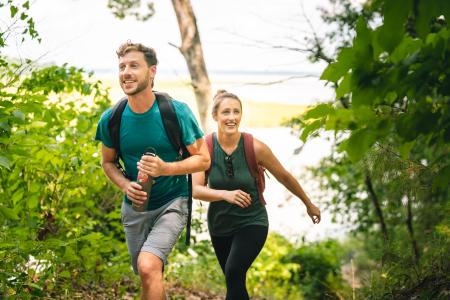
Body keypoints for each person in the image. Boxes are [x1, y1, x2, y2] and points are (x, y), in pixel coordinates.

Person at [95, 41, 210, 300]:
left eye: (134, 65)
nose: (126, 72)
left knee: (148, 266)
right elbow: (108, 163)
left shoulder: (175, 112)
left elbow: (203, 160)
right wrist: (125, 185)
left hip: (173, 201)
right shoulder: (111, 118)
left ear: (152, 71)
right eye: (122, 66)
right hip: (135, 207)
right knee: (147, 272)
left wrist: (166, 168)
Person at [192, 90, 321, 300]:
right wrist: (225, 194)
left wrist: (308, 204)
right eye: (226, 112)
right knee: (234, 281)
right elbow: (196, 190)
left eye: (236, 111)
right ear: (215, 116)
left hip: (252, 221)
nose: (232, 117)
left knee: (233, 271)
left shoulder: (255, 147)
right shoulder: (204, 148)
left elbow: (284, 176)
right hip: (220, 224)